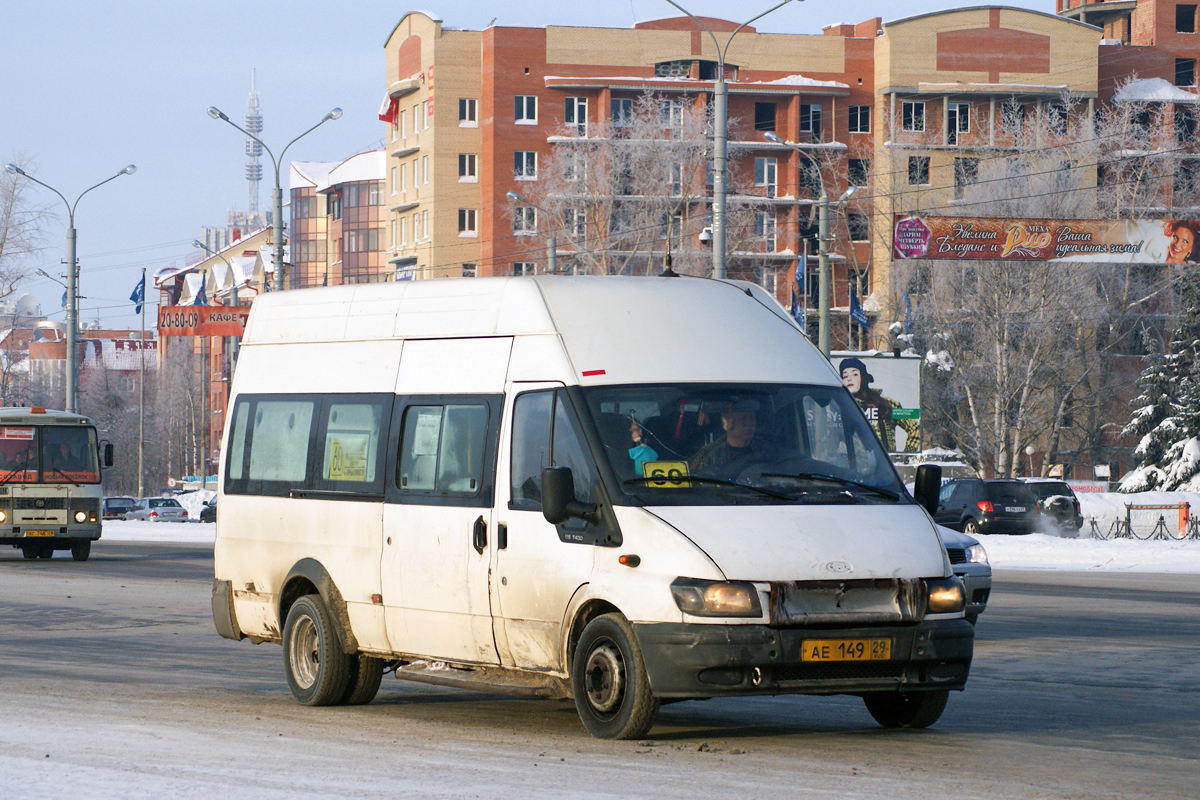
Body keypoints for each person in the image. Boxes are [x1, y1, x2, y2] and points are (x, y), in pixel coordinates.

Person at [840, 357, 920, 454]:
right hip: (852, 467)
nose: (849, 379)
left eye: (855, 374)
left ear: (864, 378)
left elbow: (915, 427)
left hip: (883, 467)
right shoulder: (838, 407)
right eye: (845, 376)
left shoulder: (887, 405)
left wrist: (906, 455)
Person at [690, 398, 774, 476]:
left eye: (752, 418)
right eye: (743, 418)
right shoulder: (708, 454)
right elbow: (695, 483)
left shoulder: (766, 451)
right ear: (726, 422)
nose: (749, 424)